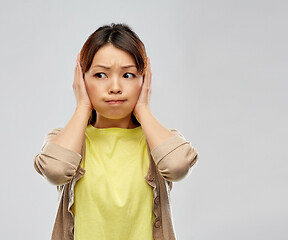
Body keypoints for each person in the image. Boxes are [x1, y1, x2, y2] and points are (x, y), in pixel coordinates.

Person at [34, 23, 199, 240]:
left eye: (128, 75)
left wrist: (143, 108)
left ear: (144, 79)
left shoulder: (159, 141)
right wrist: (82, 106)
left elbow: (177, 166)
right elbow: (55, 170)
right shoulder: (64, 140)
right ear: (81, 79)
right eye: (100, 75)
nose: (114, 87)